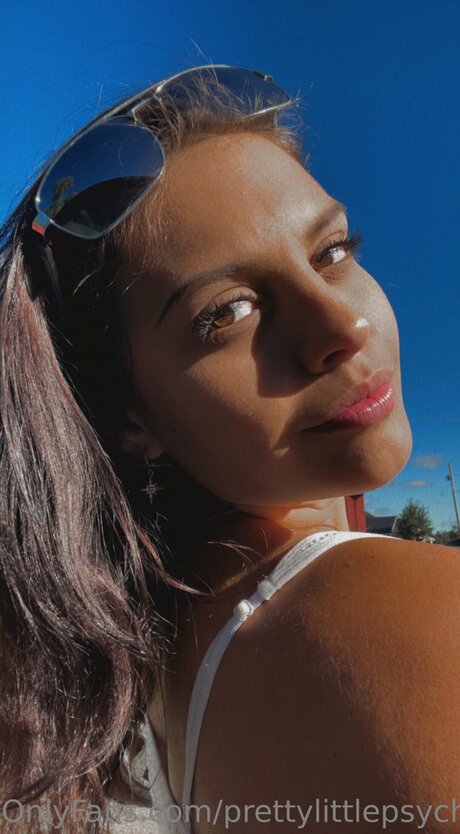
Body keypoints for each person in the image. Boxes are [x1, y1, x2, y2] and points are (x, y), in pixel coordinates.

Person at [1, 65, 459, 834]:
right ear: (129, 417)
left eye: (332, 251)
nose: (343, 327)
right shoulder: (416, 624)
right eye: (230, 312)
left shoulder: (143, 677)